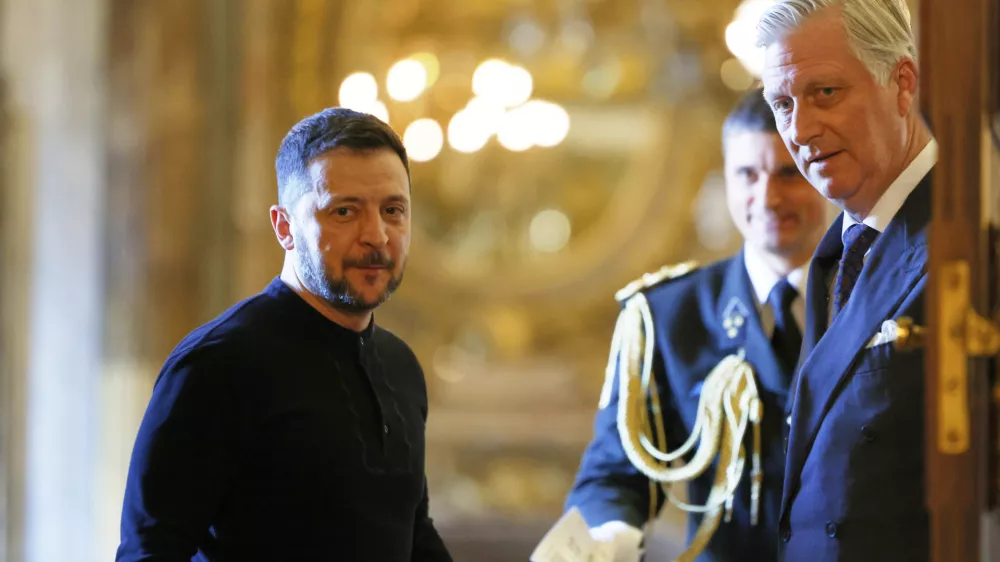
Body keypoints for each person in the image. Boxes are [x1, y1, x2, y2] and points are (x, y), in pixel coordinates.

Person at [116, 108, 452, 562]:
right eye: (345, 211)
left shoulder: (402, 365)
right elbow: (150, 554)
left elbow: (412, 533)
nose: (377, 236)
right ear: (284, 227)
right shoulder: (217, 365)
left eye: (393, 210)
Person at [563, 88, 828, 561]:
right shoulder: (671, 315)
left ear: (820, 173)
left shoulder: (872, 299)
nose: (767, 197)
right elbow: (616, 473)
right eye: (747, 174)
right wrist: (612, 535)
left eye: (788, 174)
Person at [756, 1, 935, 560]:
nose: (801, 130)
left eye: (825, 93)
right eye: (783, 104)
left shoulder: (966, 242)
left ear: (901, 83)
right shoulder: (836, 254)